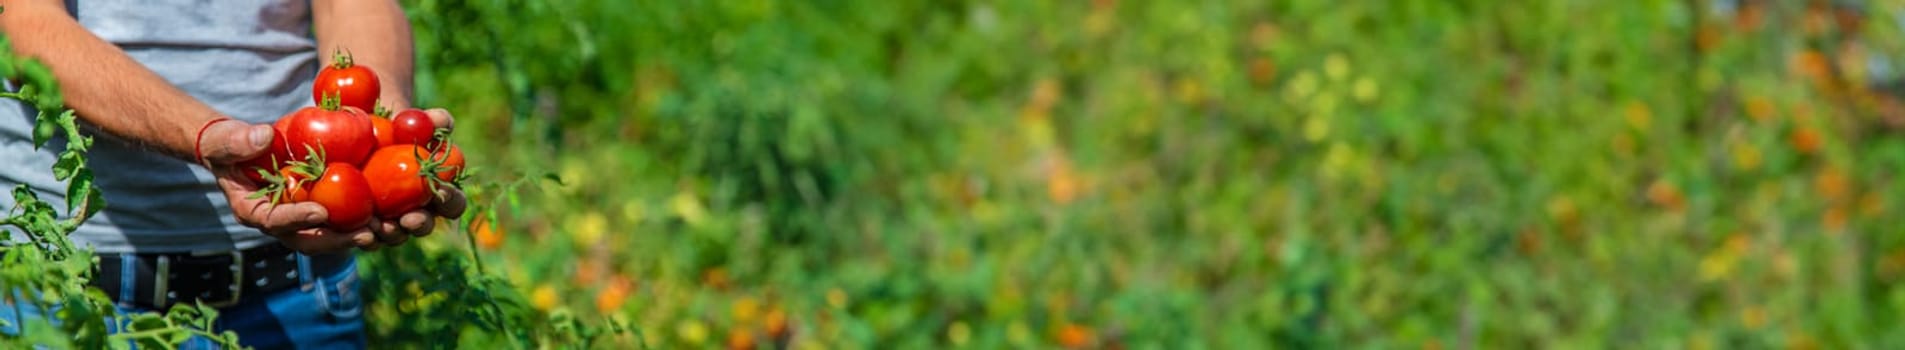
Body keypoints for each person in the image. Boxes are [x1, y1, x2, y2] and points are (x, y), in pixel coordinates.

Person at [0, 0, 466, 347]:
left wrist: (378, 124)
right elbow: (25, 24)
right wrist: (208, 137)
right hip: (72, 295)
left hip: (300, 292)